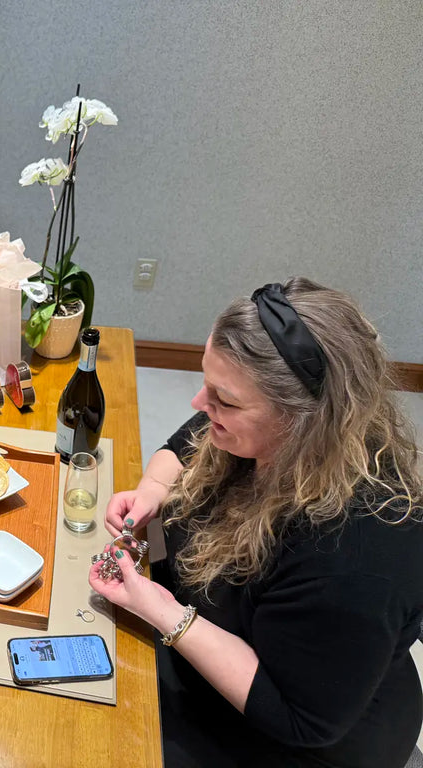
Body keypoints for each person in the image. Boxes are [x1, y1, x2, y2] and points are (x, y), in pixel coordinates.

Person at [91, 278, 423, 768]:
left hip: (293, 734)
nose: (201, 405)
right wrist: (152, 493)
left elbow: (296, 714)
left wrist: (165, 612)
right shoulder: (265, 429)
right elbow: (186, 442)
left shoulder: (352, 553)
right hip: (213, 651)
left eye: (224, 400)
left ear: (303, 417)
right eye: (207, 385)